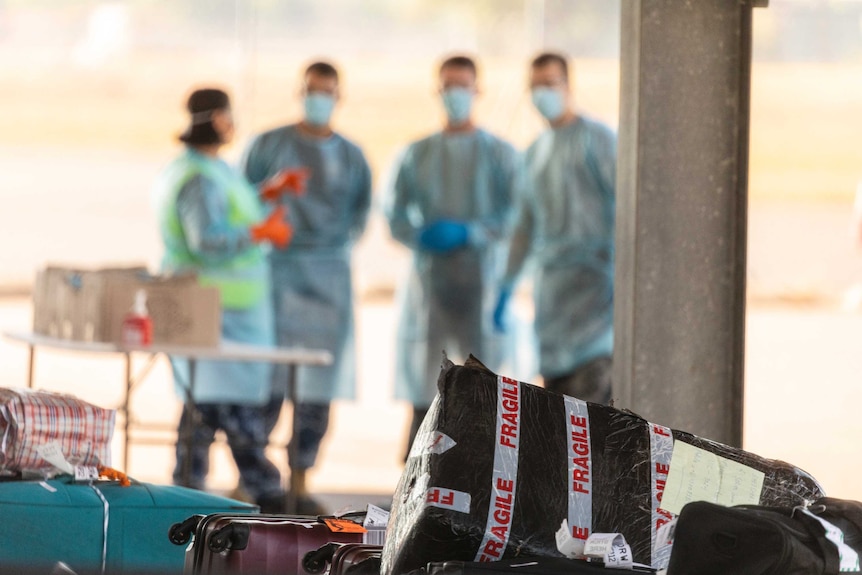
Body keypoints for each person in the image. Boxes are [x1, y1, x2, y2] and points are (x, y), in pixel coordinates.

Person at [152, 87, 292, 512]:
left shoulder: (210, 170)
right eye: (229, 116)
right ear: (216, 119)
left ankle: (192, 487)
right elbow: (207, 238)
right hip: (216, 309)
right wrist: (261, 233)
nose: (233, 124)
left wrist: (266, 194)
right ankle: (264, 494)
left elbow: (230, 208)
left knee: (208, 408)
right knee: (223, 407)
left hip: (228, 310)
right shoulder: (198, 178)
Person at [241, 61, 371, 511]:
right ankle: (254, 478)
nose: (320, 99)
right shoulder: (269, 146)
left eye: (327, 92)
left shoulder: (352, 157)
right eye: (313, 91)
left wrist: (325, 246)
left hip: (328, 280)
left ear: (339, 96)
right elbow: (243, 203)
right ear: (301, 91)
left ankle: (299, 477)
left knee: (316, 386)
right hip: (276, 274)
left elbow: (359, 215)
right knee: (266, 382)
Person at [384, 55, 523, 455]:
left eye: (463, 85)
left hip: (483, 281)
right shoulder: (416, 155)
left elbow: (517, 216)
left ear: (477, 91)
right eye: (449, 86)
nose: (456, 94)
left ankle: (481, 474)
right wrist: (420, 236)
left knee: (484, 384)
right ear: (438, 91)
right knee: (425, 385)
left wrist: (473, 232)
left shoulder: (500, 155)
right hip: (431, 284)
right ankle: (416, 474)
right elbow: (392, 215)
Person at [493, 52, 617, 403]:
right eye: (535, 86)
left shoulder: (598, 140)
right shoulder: (532, 154)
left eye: (550, 84)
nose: (542, 94)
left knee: (594, 419)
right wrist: (506, 285)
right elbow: (523, 229)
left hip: (597, 296)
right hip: (553, 303)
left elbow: (628, 209)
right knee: (558, 420)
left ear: (568, 86)